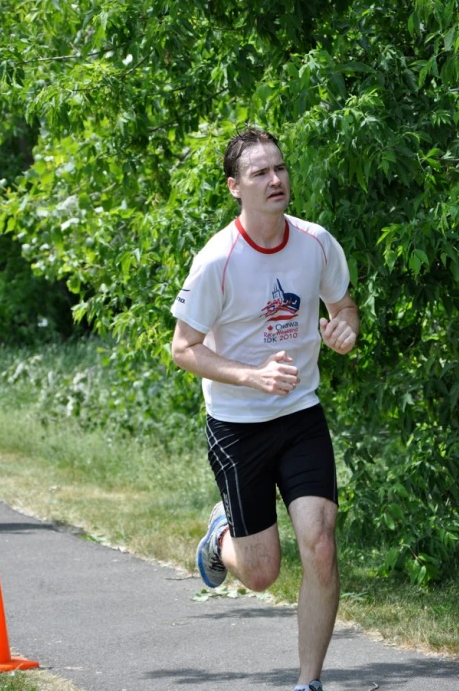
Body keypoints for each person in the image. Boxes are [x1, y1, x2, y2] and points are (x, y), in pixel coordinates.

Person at [171, 127, 359, 691]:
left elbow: (343, 304)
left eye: (279, 168)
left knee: (321, 545)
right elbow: (183, 348)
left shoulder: (316, 242)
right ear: (235, 187)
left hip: (301, 414)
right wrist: (250, 375)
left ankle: (309, 683)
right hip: (237, 424)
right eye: (260, 173)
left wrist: (344, 328)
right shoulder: (218, 261)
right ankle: (220, 536)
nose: (275, 180)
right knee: (260, 574)